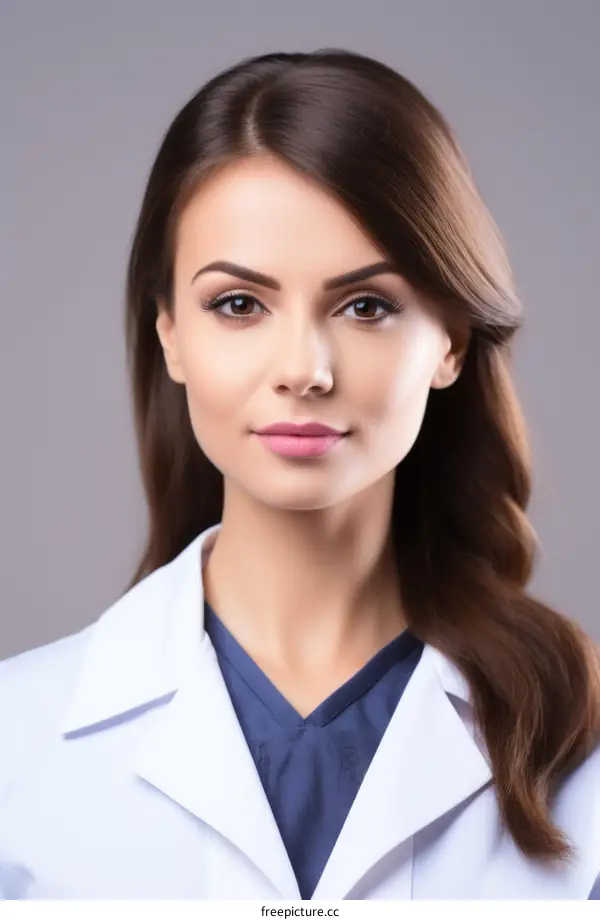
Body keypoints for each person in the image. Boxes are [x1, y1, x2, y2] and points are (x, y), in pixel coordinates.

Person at [0, 48, 599, 901]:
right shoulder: (15, 743)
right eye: (239, 304)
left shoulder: (582, 746)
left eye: (366, 306)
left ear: (451, 343)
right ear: (170, 333)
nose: (303, 370)